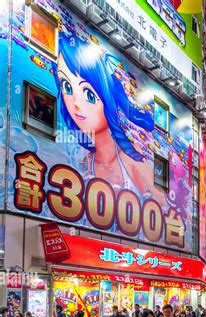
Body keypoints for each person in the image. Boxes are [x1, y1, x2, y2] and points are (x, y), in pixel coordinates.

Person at [55, 32, 162, 200]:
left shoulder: (130, 157)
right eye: (67, 87)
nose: (75, 103)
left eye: (90, 95)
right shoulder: (87, 162)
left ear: (108, 99)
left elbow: (161, 208)